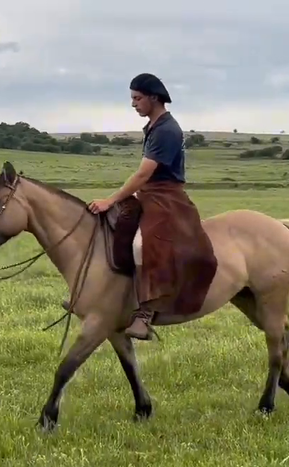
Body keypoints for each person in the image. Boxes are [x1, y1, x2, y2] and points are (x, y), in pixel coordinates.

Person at [85, 72, 218, 340]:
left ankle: (146, 312)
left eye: (137, 98)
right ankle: (106, 296)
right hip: (148, 194)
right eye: (132, 99)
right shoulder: (154, 126)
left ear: (153, 98)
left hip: (166, 197)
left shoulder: (167, 130)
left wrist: (111, 198)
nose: (133, 104)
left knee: (142, 245)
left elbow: (144, 174)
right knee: (111, 225)